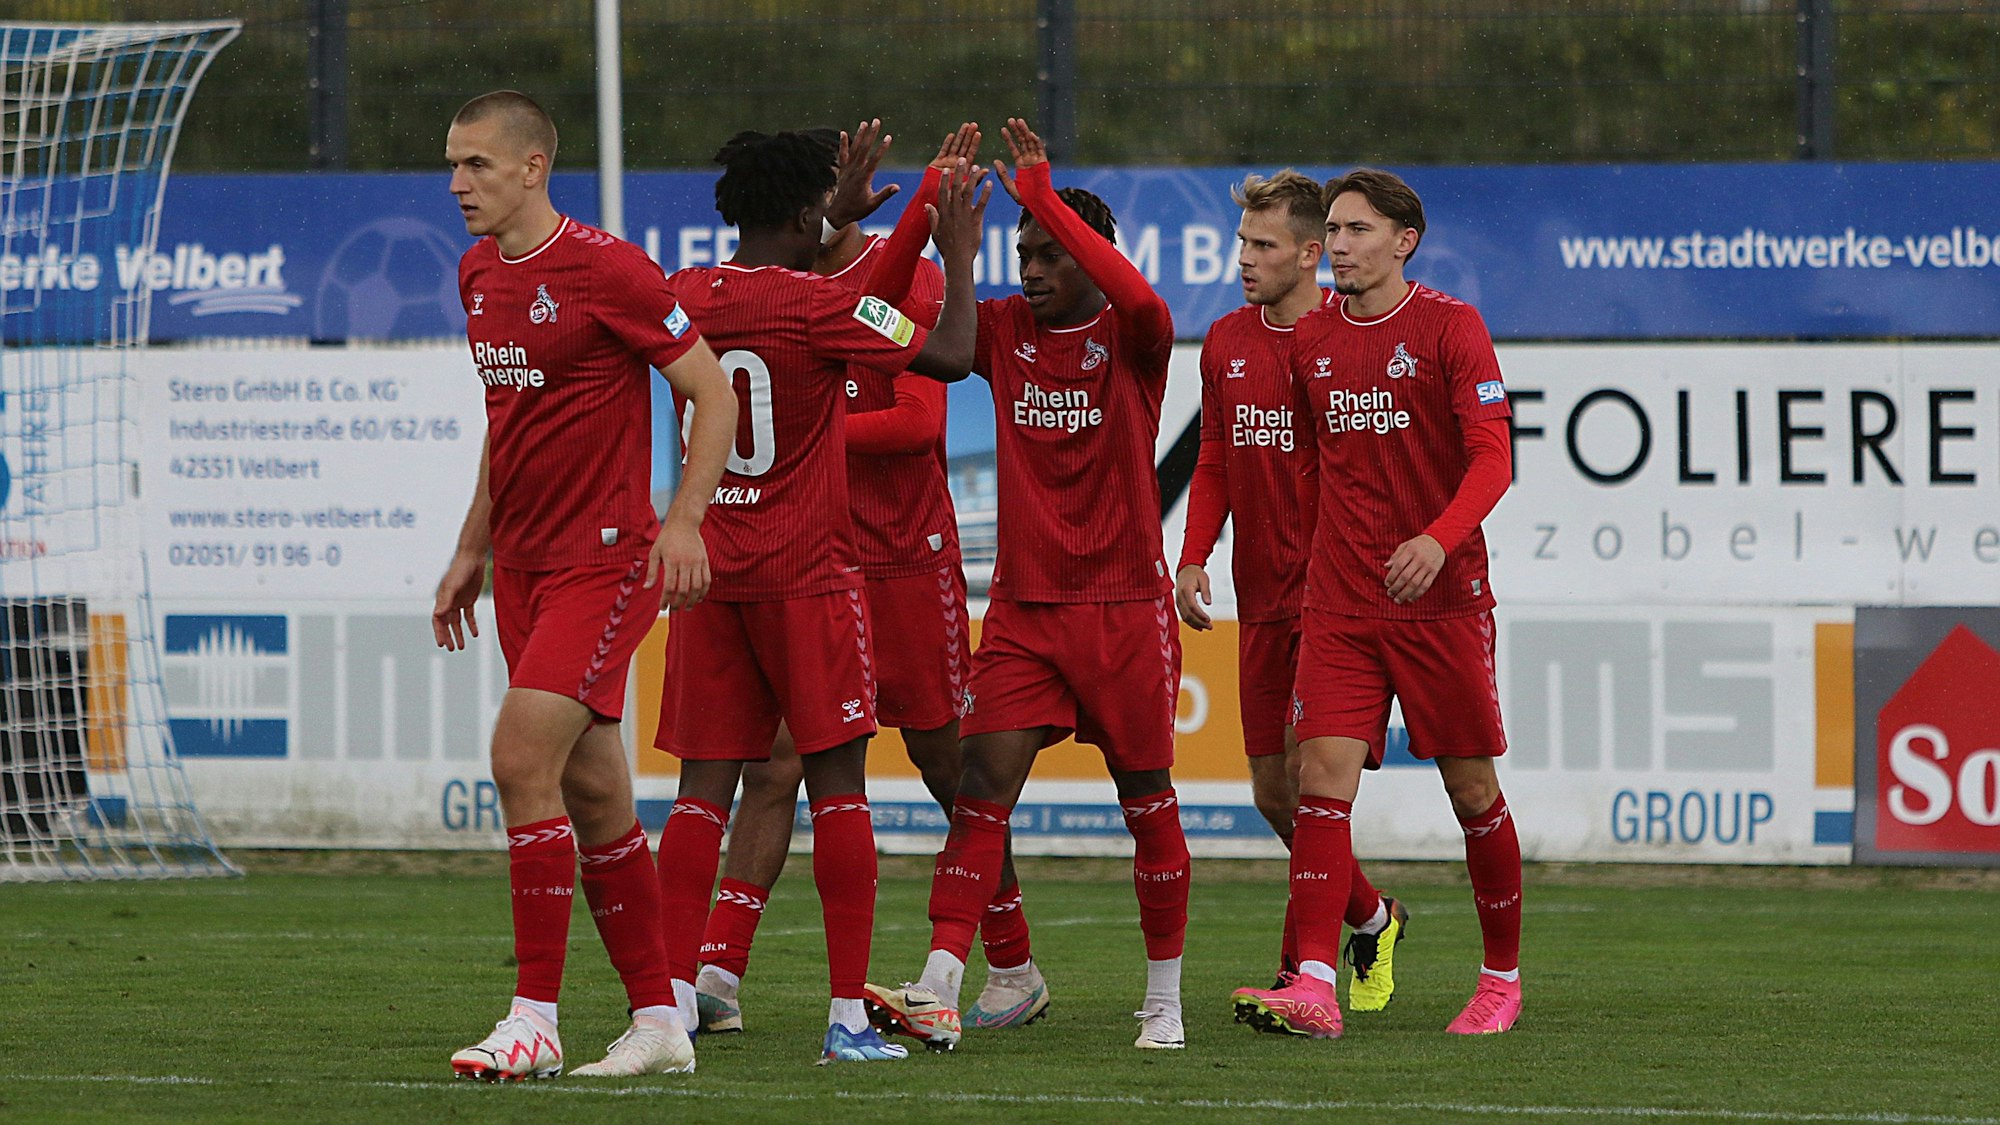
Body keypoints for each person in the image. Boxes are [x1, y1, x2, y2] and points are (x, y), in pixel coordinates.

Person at [692, 124, 1047, 1038]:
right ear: (819, 200)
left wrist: (790, 450)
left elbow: (920, 421)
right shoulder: (816, 292)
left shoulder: (902, 282)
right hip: (806, 560)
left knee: (940, 762)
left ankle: (1010, 961)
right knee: (775, 764)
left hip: (899, 560)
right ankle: (717, 972)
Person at [865, 118, 1190, 1053]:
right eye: (1024, 253)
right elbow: (875, 325)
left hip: (1126, 609)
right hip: (1024, 615)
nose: (1032, 269)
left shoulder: (1135, 338)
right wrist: (930, 227)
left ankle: (1161, 999)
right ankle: (941, 980)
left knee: (1147, 800)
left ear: (1091, 259)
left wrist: (1044, 195)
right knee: (979, 787)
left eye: (1049, 254)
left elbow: (1147, 303)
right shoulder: (999, 329)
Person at [434, 89, 737, 1081]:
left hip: (605, 562)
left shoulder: (606, 266)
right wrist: (471, 549)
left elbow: (710, 389)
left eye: (476, 164)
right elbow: (505, 419)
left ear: (531, 167)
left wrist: (683, 518)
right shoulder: (479, 272)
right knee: (597, 798)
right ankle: (658, 1021)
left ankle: (535, 1017)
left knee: (520, 758)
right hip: (519, 566)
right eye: (452, 164)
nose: (457, 183)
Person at [1230, 168, 1522, 1040]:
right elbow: (1312, 469)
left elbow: (1493, 456)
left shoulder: (1450, 328)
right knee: (1315, 781)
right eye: (1337, 231)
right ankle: (1315, 983)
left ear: (1404, 242)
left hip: (1442, 602)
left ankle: (1500, 978)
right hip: (1343, 604)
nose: (1343, 246)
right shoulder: (1310, 341)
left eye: (1359, 231)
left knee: (1473, 792)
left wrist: (1437, 538)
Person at [1177, 171, 1409, 1014]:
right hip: (1260, 600)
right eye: (1242, 242)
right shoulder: (1226, 341)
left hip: (1336, 601)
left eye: (1262, 245)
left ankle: (1298, 972)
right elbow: (1212, 458)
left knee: (1315, 780)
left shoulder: (1339, 341)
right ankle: (1374, 916)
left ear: (1312, 253)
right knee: (1274, 794)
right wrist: (1195, 553)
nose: (1243, 258)